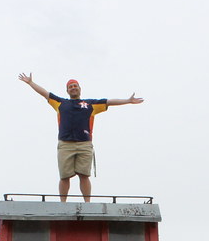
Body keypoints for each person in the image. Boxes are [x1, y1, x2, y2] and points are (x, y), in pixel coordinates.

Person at [18, 73, 144, 202]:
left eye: (75, 86)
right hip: (65, 144)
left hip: (84, 144)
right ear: (67, 91)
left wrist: (128, 101)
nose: (73, 88)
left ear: (79, 88)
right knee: (64, 176)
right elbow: (45, 93)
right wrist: (30, 83)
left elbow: (109, 102)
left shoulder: (90, 104)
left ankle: (87, 203)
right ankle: (62, 204)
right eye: (70, 86)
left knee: (84, 175)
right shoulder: (60, 103)